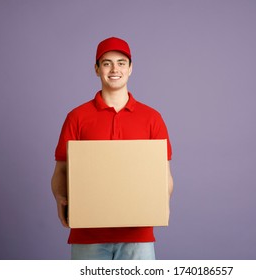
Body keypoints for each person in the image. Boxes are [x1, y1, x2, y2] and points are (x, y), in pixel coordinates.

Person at [51, 37, 173, 260]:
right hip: (88, 236)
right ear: (97, 69)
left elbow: (164, 176)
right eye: (106, 63)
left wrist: (158, 204)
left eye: (121, 62)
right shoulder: (77, 117)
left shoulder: (152, 118)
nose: (114, 69)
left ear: (131, 68)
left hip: (138, 236)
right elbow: (61, 171)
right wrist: (60, 197)